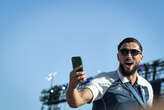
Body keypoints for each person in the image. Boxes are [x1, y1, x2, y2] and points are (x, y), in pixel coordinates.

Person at [66, 37, 153, 110]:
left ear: (141, 57)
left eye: (134, 52)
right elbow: (77, 101)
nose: (129, 56)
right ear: (118, 57)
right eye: (124, 52)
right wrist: (72, 87)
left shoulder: (146, 87)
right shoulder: (104, 80)